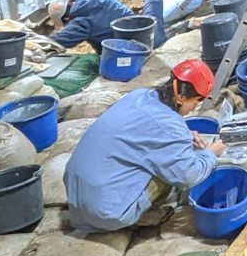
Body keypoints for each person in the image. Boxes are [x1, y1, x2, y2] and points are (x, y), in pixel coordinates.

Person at [65, 58, 226, 232]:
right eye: (196, 102)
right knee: (171, 172)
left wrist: (184, 134)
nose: (194, 108)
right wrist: (210, 153)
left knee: (155, 156)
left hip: (76, 195)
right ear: (180, 97)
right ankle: (137, 215)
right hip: (104, 211)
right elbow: (189, 175)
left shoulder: (139, 95)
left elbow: (143, 130)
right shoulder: (169, 127)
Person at [41, 0, 132, 52]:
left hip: (122, 50)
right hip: (138, 34)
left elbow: (61, 40)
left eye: (66, 23)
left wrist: (36, 41)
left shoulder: (83, 21)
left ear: (65, 18)